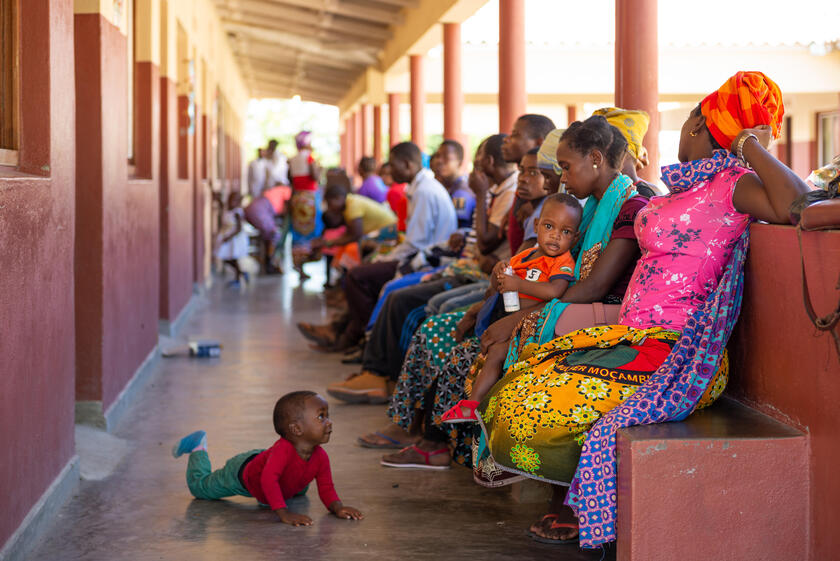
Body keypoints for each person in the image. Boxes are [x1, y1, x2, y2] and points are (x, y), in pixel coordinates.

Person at [482, 72, 808, 548]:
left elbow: (798, 205)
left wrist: (748, 146)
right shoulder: (682, 188)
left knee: (526, 413)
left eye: (689, 119)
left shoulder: (732, 185)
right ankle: (573, 499)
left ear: (699, 124)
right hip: (631, 336)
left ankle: (582, 507)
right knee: (514, 387)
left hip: (676, 350)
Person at [373, 116, 650, 469]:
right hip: (556, 304)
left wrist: (518, 320)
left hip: (594, 317)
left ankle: (443, 445)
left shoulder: (631, 208)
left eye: (565, 167)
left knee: (469, 353)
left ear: (596, 158)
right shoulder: (589, 207)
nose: (562, 177)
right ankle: (429, 435)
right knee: (461, 343)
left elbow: (593, 287)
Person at [326, 136, 517, 408]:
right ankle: (371, 363)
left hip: (454, 266)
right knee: (385, 285)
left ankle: (384, 375)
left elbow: (480, 244)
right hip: (456, 262)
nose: (439, 162)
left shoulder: (487, 192)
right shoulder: (490, 192)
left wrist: (481, 195)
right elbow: (476, 240)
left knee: (399, 294)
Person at [298, 142, 457, 351]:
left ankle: (365, 342)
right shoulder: (418, 188)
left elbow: (415, 243)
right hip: (418, 253)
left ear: (407, 165)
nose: (388, 169)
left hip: (428, 260)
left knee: (358, 275)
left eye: (392, 165)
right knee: (364, 268)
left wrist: (385, 258)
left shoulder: (424, 191)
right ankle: (343, 332)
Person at [440, 196, 582, 425]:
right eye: (549, 226)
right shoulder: (525, 256)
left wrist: (520, 285)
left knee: (496, 353)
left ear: (575, 238)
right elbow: (500, 285)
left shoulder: (562, 262)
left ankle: (473, 406)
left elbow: (556, 291)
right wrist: (499, 273)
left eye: (565, 232)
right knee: (487, 350)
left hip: (534, 326)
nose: (556, 235)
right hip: (506, 316)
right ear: (536, 226)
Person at [171, 391, 363, 526]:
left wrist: (337, 508)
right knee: (200, 488)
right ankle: (198, 447)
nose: (329, 422)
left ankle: (276, 486)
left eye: (327, 416)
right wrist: (283, 513)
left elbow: (326, 486)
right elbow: (267, 480)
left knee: (298, 485)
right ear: (296, 429)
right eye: (321, 417)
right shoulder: (283, 451)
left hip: (268, 459)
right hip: (241, 475)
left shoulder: (320, 456)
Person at [501, 114, 557, 254]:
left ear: (539, 143)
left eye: (515, 135)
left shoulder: (547, 209)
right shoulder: (528, 195)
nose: (506, 139)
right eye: (522, 171)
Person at [313, 185, 397, 250]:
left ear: (339, 198)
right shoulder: (349, 204)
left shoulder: (352, 205)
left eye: (329, 204)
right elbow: (350, 233)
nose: (330, 208)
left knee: (358, 247)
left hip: (389, 229)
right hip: (383, 230)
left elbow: (355, 235)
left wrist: (329, 243)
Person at [287, 131, 323, 278]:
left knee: (298, 232)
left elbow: (290, 178)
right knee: (311, 231)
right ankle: (306, 260)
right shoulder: (309, 158)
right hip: (309, 198)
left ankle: (298, 264)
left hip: (296, 198)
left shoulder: (292, 159)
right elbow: (315, 176)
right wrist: (319, 170)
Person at [431, 140, 476, 229]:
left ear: (459, 162)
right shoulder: (450, 187)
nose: (439, 161)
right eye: (438, 156)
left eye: (446, 157)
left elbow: (455, 228)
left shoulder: (461, 193)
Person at [215, 191, 250, 288]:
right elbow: (222, 208)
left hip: (235, 239)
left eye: (235, 200)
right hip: (228, 236)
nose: (232, 202)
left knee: (233, 258)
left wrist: (228, 237)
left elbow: (239, 229)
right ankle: (242, 273)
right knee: (225, 258)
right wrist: (218, 199)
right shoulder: (228, 210)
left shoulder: (237, 212)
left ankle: (237, 279)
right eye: (231, 199)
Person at [380, 162, 408, 231]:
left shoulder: (393, 192)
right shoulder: (403, 185)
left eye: (387, 174)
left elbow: (396, 218)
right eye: (381, 174)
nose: (383, 177)